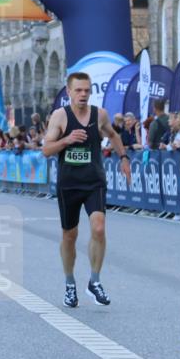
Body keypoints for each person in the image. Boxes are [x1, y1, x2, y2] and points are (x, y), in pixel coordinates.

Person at [42, 72, 131, 307]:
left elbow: (113, 135)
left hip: (94, 181)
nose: (83, 94)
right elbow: (46, 150)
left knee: (99, 228)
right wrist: (67, 140)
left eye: (87, 90)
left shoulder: (99, 114)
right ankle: (70, 283)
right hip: (69, 184)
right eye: (78, 90)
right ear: (69, 92)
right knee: (69, 236)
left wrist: (123, 158)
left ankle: (95, 280)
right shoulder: (60, 117)